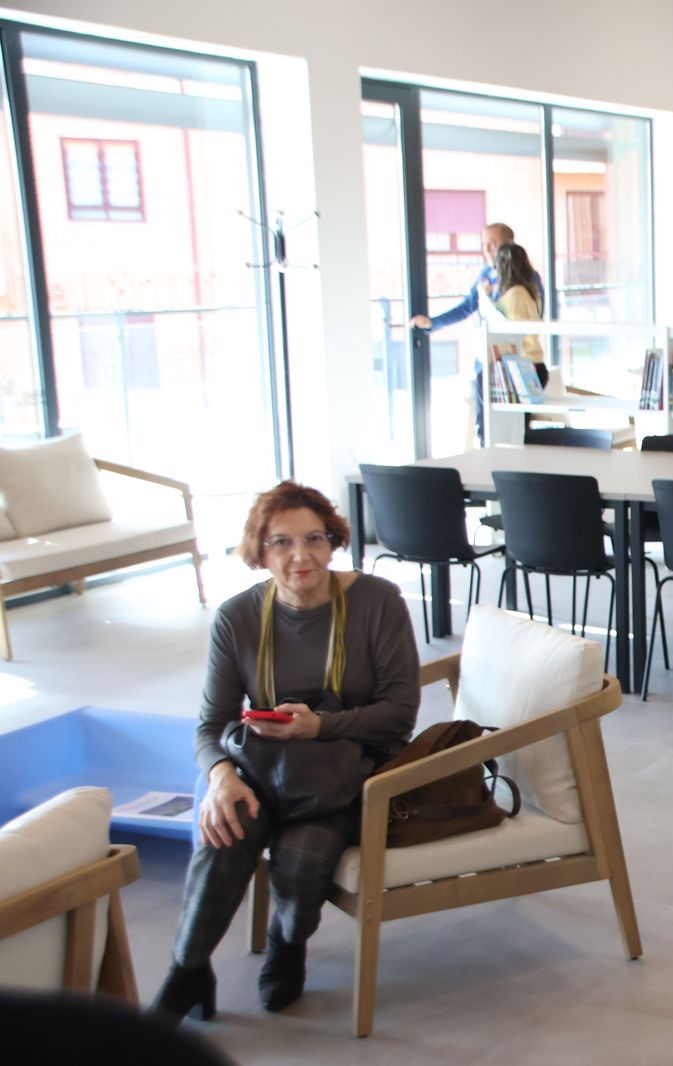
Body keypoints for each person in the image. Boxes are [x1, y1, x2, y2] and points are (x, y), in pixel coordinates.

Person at [153, 482, 420, 1021]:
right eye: (281, 543)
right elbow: (211, 724)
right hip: (261, 773)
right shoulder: (237, 618)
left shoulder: (377, 602)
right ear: (260, 552)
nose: (301, 556)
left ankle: (286, 942)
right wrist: (222, 777)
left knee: (303, 863)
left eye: (314, 539)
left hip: (348, 780)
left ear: (333, 540)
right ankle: (188, 969)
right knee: (223, 829)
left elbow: (400, 713)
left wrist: (318, 726)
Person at [409, 221, 515, 443]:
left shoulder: (524, 277)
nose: (487, 250)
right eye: (484, 244)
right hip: (484, 359)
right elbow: (467, 307)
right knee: (484, 426)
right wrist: (432, 323)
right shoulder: (485, 275)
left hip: (512, 360)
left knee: (512, 428)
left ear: (509, 244)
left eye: (493, 244)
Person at [485, 240, 548, 389]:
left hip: (526, 367)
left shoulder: (515, 295)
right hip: (534, 364)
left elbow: (514, 336)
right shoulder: (529, 291)